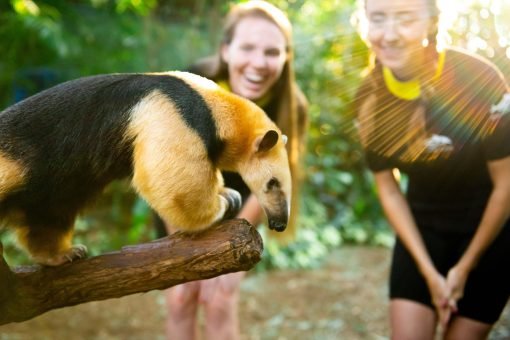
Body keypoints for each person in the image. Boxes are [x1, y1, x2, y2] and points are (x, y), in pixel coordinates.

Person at [353, 0, 510, 338]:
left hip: (492, 235)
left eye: (406, 18)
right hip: (423, 233)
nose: (390, 34)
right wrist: (428, 271)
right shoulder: (369, 97)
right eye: (378, 18)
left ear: (432, 22)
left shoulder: (479, 78)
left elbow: (506, 185)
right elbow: (389, 187)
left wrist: (464, 267)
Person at [153, 1, 308, 339]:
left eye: (271, 51)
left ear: (286, 56)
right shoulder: (194, 84)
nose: (258, 62)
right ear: (226, 49)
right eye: (248, 48)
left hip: (242, 211)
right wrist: (184, 250)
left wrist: (229, 247)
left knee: (221, 298)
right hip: (179, 199)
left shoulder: (291, 107)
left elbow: (273, 182)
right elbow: (168, 167)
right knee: (182, 296)